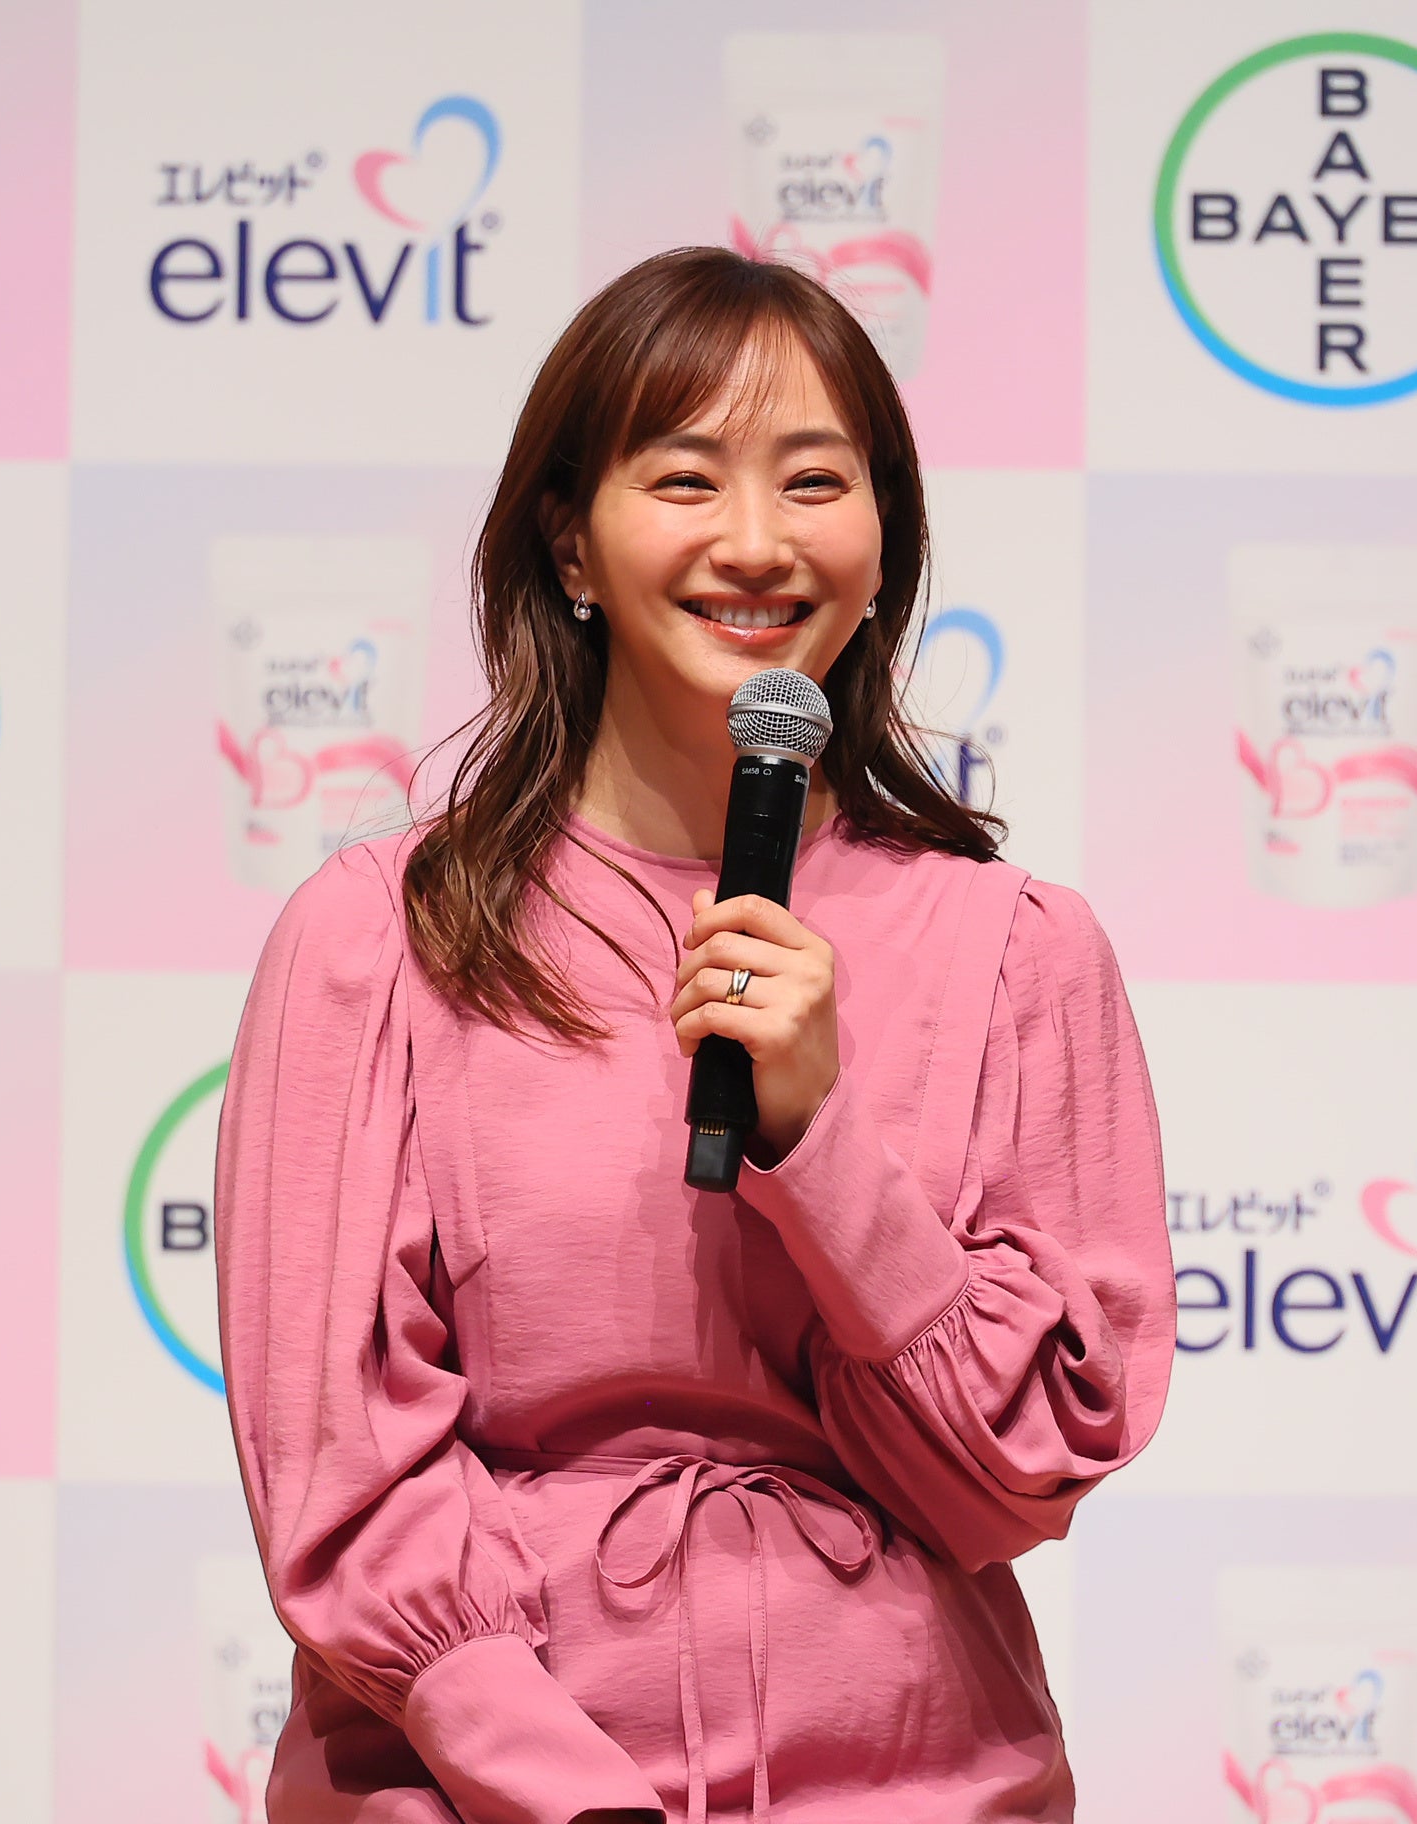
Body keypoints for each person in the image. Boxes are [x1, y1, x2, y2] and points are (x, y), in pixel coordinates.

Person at [212, 246, 1175, 1822]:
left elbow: (1023, 1466)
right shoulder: (380, 940)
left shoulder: (1019, 953)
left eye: (816, 482)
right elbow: (344, 1480)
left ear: (884, 544)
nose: (756, 542)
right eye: (684, 478)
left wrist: (821, 1146)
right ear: (569, 543)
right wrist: (575, 1803)